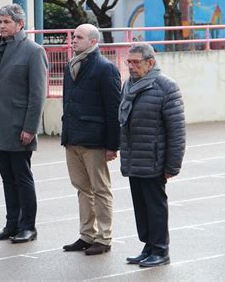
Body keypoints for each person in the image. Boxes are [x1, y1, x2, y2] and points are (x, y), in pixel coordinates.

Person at [0, 4, 47, 244]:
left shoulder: (33, 51)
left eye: (7, 22)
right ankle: (12, 224)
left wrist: (30, 127)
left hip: (19, 126)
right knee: (6, 178)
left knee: (22, 177)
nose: (2, 26)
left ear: (20, 24)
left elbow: (37, 94)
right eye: (0, 21)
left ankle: (28, 226)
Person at [119, 43, 185, 267]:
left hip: (154, 159)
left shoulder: (166, 87)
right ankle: (148, 246)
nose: (131, 66)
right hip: (134, 157)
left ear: (150, 63)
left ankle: (161, 250)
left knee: (155, 207)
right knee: (141, 207)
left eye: (136, 62)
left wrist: (172, 166)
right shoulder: (129, 85)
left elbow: (176, 131)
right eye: (129, 61)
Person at [61, 24, 121, 255]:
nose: (73, 40)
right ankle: (87, 235)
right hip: (73, 137)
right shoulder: (71, 65)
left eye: (79, 37)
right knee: (82, 188)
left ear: (93, 42)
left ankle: (103, 238)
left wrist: (112, 145)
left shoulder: (105, 68)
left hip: (94, 140)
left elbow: (113, 109)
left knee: (101, 190)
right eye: (73, 36)